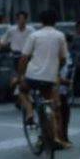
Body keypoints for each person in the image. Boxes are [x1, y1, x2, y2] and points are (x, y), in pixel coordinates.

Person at [18, 10, 69, 149]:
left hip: (32, 76)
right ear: (55, 22)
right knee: (50, 106)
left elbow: (24, 58)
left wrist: (20, 76)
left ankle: (29, 111)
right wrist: (56, 70)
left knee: (22, 91)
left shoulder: (35, 35)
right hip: (50, 79)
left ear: (41, 22)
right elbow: (64, 58)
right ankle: (54, 137)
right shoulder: (60, 36)